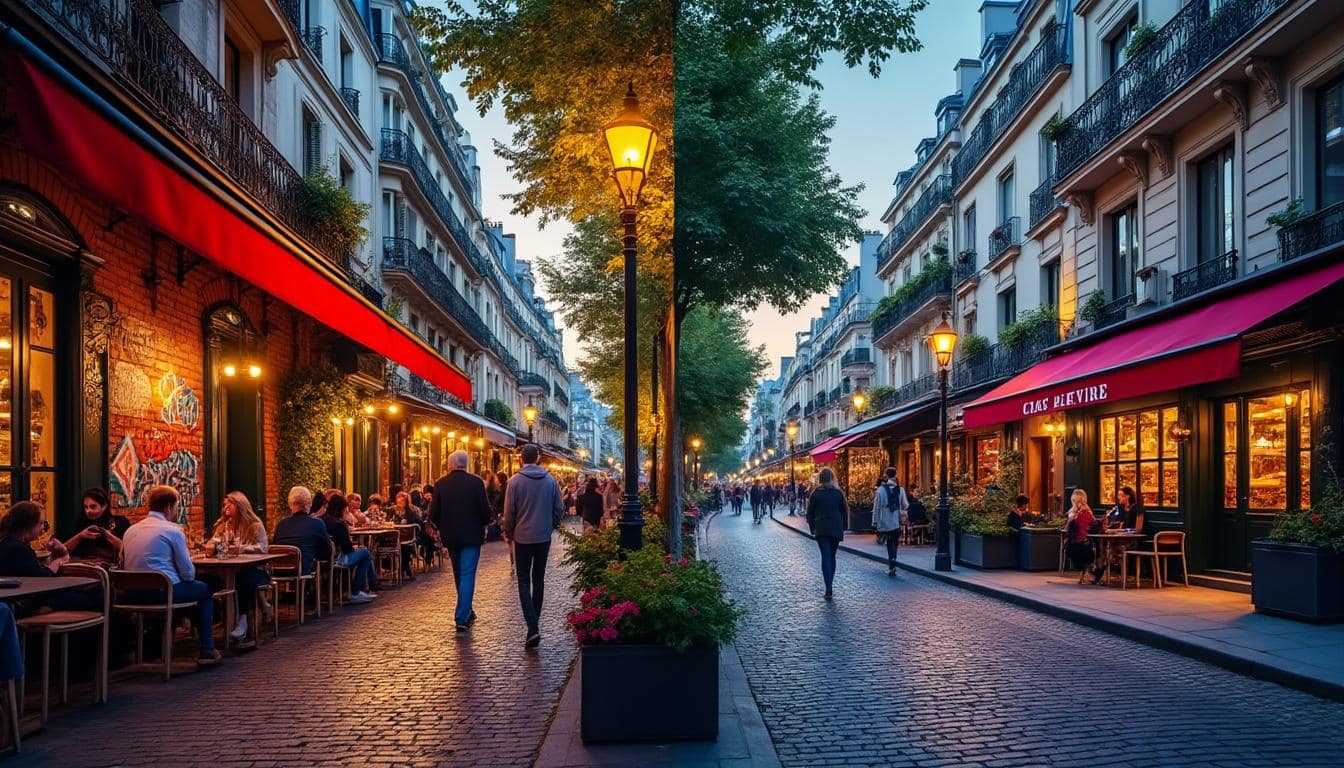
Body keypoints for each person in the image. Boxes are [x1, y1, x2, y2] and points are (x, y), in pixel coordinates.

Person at [122, 486, 222, 665]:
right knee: (205, 590)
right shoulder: (173, 531)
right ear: (169, 507)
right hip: (164, 592)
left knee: (191, 591)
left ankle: (165, 645)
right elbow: (189, 574)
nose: (177, 510)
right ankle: (207, 649)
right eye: (177, 506)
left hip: (131, 595)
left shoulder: (130, 531)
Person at [502, 444, 563, 648]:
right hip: (543, 536)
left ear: (521, 458)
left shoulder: (515, 481)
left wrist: (509, 532)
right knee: (538, 580)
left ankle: (533, 626)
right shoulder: (550, 480)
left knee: (523, 580)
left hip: (522, 537)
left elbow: (509, 512)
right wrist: (551, 524)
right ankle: (533, 626)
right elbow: (559, 508)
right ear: (538, 458)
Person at [0, 501, 103, 614]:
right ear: (28, 525)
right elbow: (44, 579)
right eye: (40, 523)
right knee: (98, 596)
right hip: (27, 603)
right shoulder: (18, 548)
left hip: (19, 600)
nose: (43, 528)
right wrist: (60, 560)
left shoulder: (8, 544)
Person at [431, 450, 492, 633]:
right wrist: (484, 522)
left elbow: (433, 514)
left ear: (450, 465)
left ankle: (466, 611)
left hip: (450, 536)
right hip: (472, 535)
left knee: (459, 573)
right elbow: (485, 511)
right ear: (466, 464)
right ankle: (462, 616)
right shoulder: (476, 483)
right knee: (467, 574)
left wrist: (443, 525)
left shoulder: (441, 484)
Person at [208, 491, 272, 639]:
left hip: (256, 570)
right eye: (225, 504)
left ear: (240, 505)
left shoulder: (255, 525)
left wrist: (243, 548)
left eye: (230, 504)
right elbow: (213, 542)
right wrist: (212, 545)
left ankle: (242, 621)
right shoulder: (222, 525)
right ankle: (221, 620)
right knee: (208, 578)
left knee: (243, 578)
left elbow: (263, 548)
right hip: (229, 570)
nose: (226, 507)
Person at [321, 494, 378, 603]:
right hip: (338, 559)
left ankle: (370, 585)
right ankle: (357, 591)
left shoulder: (322, 520)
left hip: (323, 558)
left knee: (364, 552)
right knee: (365, 553)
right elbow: (348, 549)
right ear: (342, 508)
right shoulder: (340, 524)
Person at [806, 468, 848, 600]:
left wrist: (812, 528)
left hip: (821, 528)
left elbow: (810, 513)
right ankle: (830, 584)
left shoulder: (815, 494)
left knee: (825, 556)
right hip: (835, 528)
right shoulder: (838, 493)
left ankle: (828, 587)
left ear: (820, 479)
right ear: (831, 478)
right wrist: (844, 527)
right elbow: (844, 511)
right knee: (832, 556)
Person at [65, 487, 130, 567]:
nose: (88, 511)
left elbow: (128, 552)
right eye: (86, 507)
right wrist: (80, 536)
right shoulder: (80, 523)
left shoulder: (120, 522)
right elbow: (63, 550)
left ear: (104, 506)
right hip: (82, 570)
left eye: (93, 507)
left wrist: (109, 536)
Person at [1093, 486, 1146, 584]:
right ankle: (1102, 564)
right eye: (1118, 496)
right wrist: (1113, 528)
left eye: (1121, 495)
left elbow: (1139, 529)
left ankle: (1102, 566)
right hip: (1121, 537)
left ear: (1128, 497)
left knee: (1108, 545)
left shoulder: (1138, 508)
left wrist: (1124, 531)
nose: (1119, 498)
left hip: (1133, 540)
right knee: (1102, 540)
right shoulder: (1121, 508)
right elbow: (1120, 524)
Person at [274, 486, 331, 577]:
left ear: (290, 504)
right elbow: (327, 553)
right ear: (309, 504)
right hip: (303, 570)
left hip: (278, 570)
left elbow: (275, 546)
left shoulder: (282, 524)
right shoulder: (317, 523)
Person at [872, 467, 908, 577]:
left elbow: (876, 507)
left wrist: (875, 521)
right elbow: (905, 505)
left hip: (885, 521)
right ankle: (894, 559)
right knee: (895, 542)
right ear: (895, 475)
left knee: (889, 543)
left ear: (886, 475)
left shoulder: (881, 490)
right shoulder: (900, 489)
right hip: (896, 521)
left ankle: (891, 564)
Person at [1064, 488, 1096, 575]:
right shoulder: (1087, 512)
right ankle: (1095, 568)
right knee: (1099, 548)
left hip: (1071, 547)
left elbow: (1067, 529)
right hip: (1083, 546)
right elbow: (1095, 524)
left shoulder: (1071, 514)